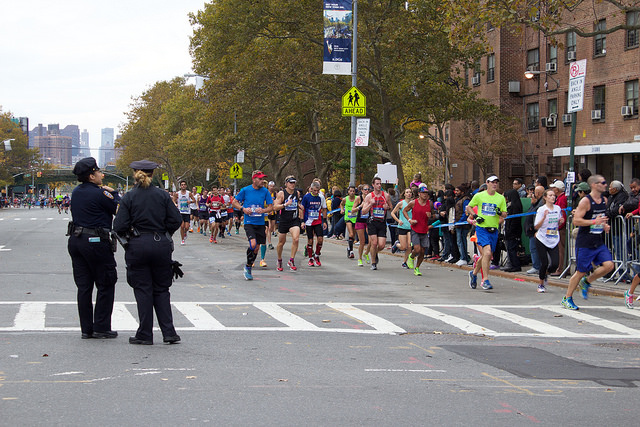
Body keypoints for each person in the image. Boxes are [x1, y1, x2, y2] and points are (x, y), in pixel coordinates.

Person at [113, 160, 182, 345]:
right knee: (161, 289)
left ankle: (145, 333)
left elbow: (119, 226)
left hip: (138, 244)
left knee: (143, 290)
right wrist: (164, 232)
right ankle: (169, 332)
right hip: (161, 244)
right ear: (153, 174)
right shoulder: (162, 195)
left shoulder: (129, 197)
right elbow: (176, 219)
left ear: (135, 173)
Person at [67, 157, 120, 340]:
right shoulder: (100, 194)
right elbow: (119, 210)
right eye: (98, 172)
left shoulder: (76, 192)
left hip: (76, 240)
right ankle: (102, 327)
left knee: (84, 286)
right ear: (91, 176)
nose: (102, 175)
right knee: (106, 283)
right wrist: (115, 194)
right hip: (96, 242)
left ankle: (86, 329)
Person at [562, 175, 615, 310]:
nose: (605, 185)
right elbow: (576, 221)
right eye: (602, 183)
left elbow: (600, 219)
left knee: (609, 266)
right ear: (594, 185)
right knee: (581, 271)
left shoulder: (604, 200)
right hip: (585, 242)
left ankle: (587, 281)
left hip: (598, 241)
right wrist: (593, 222)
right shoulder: (585, 201)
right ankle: (567, 298)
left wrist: (604, 226)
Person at [465, 175, 507, 290]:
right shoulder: (479, 196)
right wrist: (476, 216)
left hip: (493, 230)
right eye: (492, 182)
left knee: (486, 256)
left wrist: (500, 212)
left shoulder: (500, 198)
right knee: (487, 253)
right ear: (487, 183)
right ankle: (485, 280)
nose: (494, 184)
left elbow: (504, 214)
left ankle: (473, 274)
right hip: (482, 229)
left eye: (496, 182)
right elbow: (469, 207)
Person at [232, 170, 274, 280]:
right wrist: (243, 209)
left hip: (260, 223)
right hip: (249, 222)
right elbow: (234, 202)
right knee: (253, 243)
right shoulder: (245, 190)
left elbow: (271, 207)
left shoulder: (265, 191)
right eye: (260, 179)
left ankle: (248, 267)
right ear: (254, 179)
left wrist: (263, 210)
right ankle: (248, 266)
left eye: (263, 179)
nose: (262, 181)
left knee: (256, 248)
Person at [534, 189, 564, 293]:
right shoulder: (542, 209)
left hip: (553, 238)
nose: (553, 197)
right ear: (545, 197)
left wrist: (561, 221)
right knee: (544, 262)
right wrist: (544, 217)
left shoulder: (557, 208)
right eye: (550, 195)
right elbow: (536, 226)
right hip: (542, 238)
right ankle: (541, 284)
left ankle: (546, 273)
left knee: (555, 264)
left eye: (554, 195)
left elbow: (558, 223)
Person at [361, 177, 394, 270]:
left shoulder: (386, 195)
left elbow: (391, 207)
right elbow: (363, 211)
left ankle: (374, 253)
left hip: (382, 222)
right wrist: (370, 204)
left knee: (382, 245)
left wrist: (387, 207)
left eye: (380, 183)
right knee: (374, 243)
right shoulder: (369, 196)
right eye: (377, 184)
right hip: (372, 222)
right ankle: (373, 263)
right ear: (373, 185)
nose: (379, 185)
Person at [274, 176, 302, 271]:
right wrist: (285, 204)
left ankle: (291, 260)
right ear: (286, 184)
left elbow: (296, 203)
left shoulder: (297, 193)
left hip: (294, 220)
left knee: (296, 239)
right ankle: (279, 259)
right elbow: (275, 207)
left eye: (294, 183)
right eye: (290, 183)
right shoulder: (281, 194)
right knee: (281, 243)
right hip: (283, 221)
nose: (292, 184)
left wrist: (299, 206)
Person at [403, 184, 432, 276]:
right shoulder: (413, 202)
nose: (425, 194)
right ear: (419, 194)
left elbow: (434, 215)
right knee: (417, 249)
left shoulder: (429, 203)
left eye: (426, 193)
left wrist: (431, 216)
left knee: (423, 251)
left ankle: (417, 267)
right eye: (423, 193)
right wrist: (409, 220)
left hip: (424, 229)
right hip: (415, 229)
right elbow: (404, 211)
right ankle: (411, 256)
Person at [301, 181, 328, 267]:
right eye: (315, 190)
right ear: (311, 189)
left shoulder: (321, 197)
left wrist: (324, 221)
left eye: (318, 190)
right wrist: (302, 221)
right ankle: (310, 258)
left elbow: (324, 209)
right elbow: (302, 209)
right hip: (308, 222)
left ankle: (316, 255)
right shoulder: (306, 197)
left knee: (320, 239)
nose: (316, 192)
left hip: (318, 221)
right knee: (310, 240)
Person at [390, 188, 414, 268]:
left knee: (409, 246)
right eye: (407, 192)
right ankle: (396, 244)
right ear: (404, 194)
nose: (409, 194)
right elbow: (392, 213)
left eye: (410, 192)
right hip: (402, 226)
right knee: (404, 247)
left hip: (410, 227)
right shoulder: (401, 203)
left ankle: (404, 262)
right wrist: (398, 220)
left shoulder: (413, 203)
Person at [550, 180, 568, 276]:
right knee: (561, 248)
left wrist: (558, 226)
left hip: (561, 228)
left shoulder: (562, 199)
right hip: (559, 227)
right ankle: (563, 268)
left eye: (553, 188)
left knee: (561, 249)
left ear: (557, 189)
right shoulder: (560, 198)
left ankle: (561, 268)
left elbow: (562, 214)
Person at [503, 186, 523, 272]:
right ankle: (511, 263)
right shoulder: (512, 205)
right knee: (510, 248)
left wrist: (509, 230)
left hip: (513, 231)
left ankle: (515, 265)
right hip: (510, 230)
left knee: (512, 248)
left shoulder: (515, 206)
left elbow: (514, 220)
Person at [173, 181, 196, 245]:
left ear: (186, 186)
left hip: (187, 212)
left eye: (184, 185)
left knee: (186, 227)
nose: (183, 186)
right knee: (182, 226)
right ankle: (182, 240)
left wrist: (190, 202)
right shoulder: (178, 193)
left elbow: (194, 200)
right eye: (182, 185)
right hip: (180, 212)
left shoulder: (189, 193)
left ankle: (185, 233)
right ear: (180, 186)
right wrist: (175, 204)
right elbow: (173, 200)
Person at [340, 186, 358, 259]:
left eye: (353, 191)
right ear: (348, 192)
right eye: (350, 191)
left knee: (353, 235)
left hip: (355, 218)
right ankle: (351, 251)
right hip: (348, 218)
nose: (352, 192)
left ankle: (349, 248)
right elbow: (341, 204)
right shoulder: (345, 199)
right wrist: (342, 210)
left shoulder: (357, 198)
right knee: (350, 234)